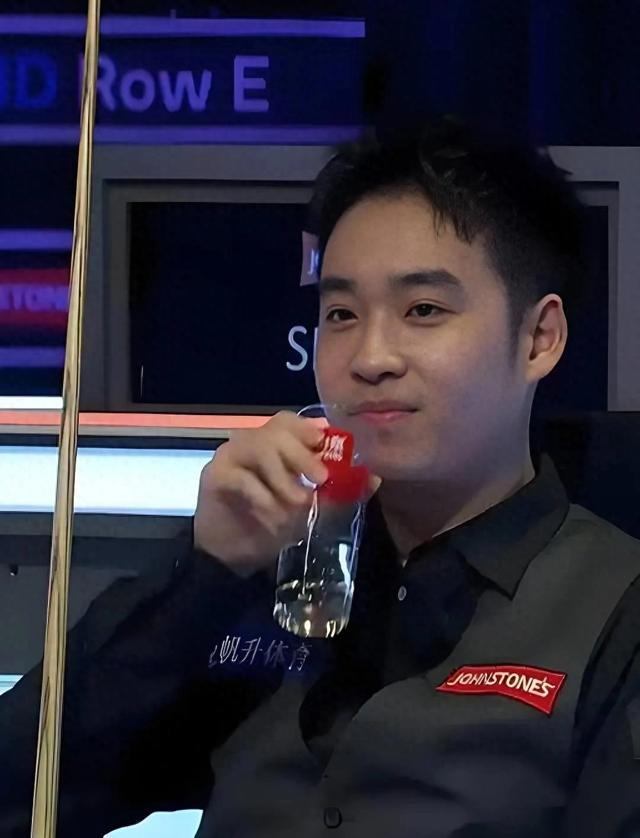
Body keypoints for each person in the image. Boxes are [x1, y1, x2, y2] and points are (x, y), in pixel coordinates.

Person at [2, 119, 640, 837]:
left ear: (538, 339)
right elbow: (24, 792)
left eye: (423, 310)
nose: (369, 358)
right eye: (340, 313)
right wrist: (206, 572)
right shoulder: (267, 581)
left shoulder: (615, 614)